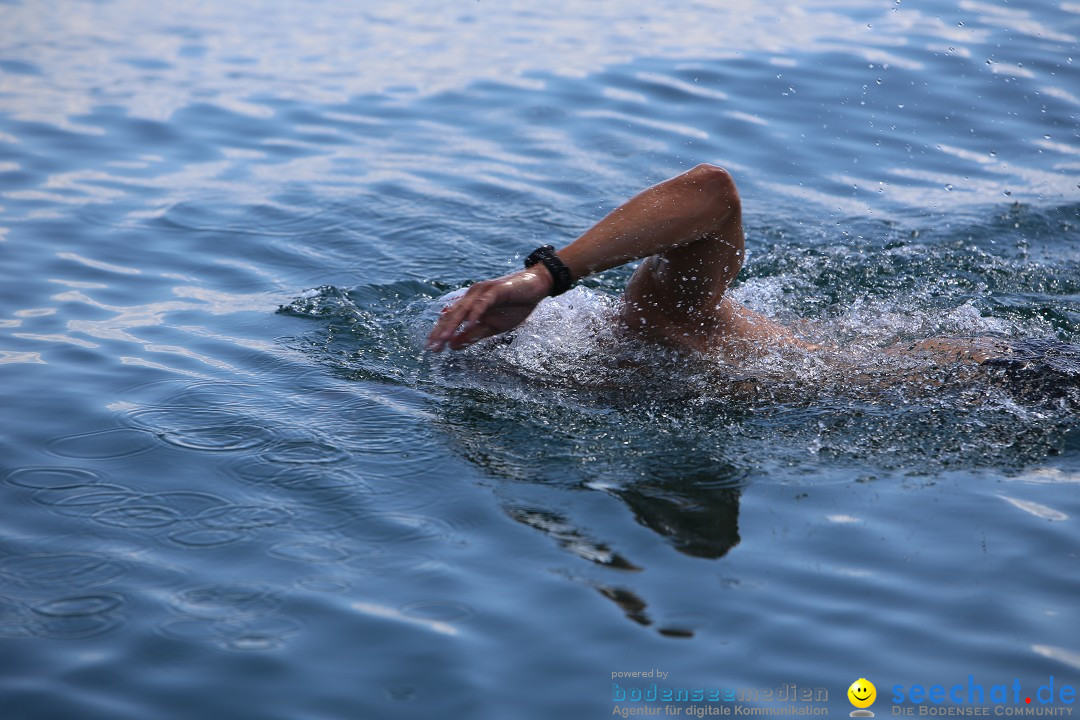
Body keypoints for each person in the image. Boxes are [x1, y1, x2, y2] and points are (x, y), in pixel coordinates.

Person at [425, 164, 1006, 364]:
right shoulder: (612, 364)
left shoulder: (654, 315)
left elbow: (712, 190)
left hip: (1003, 378)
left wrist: (545, 275)